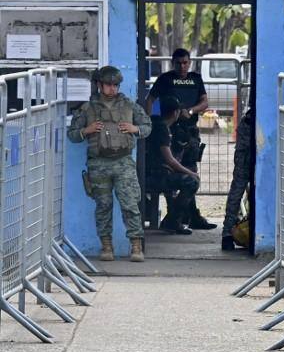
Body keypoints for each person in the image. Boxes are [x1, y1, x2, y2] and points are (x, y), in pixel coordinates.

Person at [68, 66, 152, 262]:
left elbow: (147, 126)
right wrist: (86, 130)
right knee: (103, 206)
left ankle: (136, 246)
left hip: (123, 163)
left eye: (115, 85)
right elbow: (72, 135)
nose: (112, 88)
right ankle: (106, 246)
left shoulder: (129, 105)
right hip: (98, 165)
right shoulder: (87, 108)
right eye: (108, 84)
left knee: (130, 205)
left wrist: (135, 129)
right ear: (99, 85)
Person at [145, 48, 216, 230]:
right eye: (178, 63)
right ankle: (174, 217)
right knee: (172, 170)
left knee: (190, 169)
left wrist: (191, 111)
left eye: (185, 62)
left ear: (190, 62)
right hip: (170, 128)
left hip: (189, 130)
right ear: (172, 63)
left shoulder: (195, 79)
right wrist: (152, 120)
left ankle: (190, 216)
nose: (182, 66)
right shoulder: (165, 79)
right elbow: (150, 99)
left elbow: (205, 102)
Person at [146, 95, 200, 235]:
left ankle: (172, 219)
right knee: (192, 182)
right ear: (175, 113)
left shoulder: (155, 123)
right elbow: (170, 160)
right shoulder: (162, 129)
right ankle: (172, 221)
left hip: (151, 172)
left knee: (176, 177)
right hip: (153, 176)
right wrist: (190, 173)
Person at [221, 107, 253, 250]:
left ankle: (228, 233)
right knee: (238, 190)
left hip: (250, 135)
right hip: (249, 138)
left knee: (237, 190)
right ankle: (228, 232)